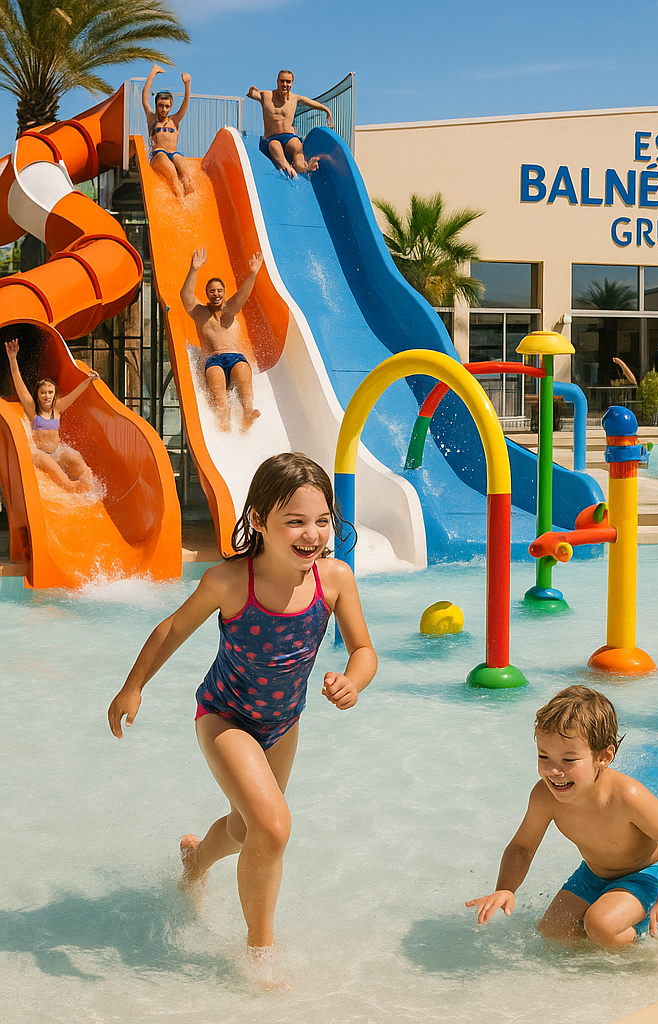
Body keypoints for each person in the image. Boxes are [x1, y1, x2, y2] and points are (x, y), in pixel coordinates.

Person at [107, 453, 376, 980]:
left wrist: (354, 680)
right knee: (273, 828)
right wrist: (133, 686)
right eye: (294, 521)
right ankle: (259, 954)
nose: (312, 533)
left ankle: (195, 863)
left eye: (322, 520)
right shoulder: (230, 582)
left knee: (244, 826)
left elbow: (363, 649)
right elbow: (170, 630)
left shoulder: (335, 580)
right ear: (257, 521)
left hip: (283, 725)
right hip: (225, 717)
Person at [466, 685, 658, 950]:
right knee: (553, 932)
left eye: (569, 759)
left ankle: (636, 942)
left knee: (600, 925)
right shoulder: (544, 797)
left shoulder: (626, 796)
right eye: (544, 756)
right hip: (594, 874)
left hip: (645, 874)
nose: (554, 770)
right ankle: (606, 920)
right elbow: (522, 846)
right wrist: (505, 888)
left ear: (603, 757)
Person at [181, 248, 263, 432]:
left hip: (236, 358)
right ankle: (223, 418)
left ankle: (247, 413)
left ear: (224, 293)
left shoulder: (230, 309)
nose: (216, 294)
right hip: (214, 359)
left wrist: (253, 273)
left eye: (219, 291)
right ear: (207, 294)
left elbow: (243, 294)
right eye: (212, 291)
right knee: (217, 383)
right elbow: (185, 296)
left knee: (242, 369)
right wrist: (194, 270)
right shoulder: (200, 313)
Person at [4, 337, 97, 492]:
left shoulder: (57, 408)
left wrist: (88, 380)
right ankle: (70, 488)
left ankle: (89, 494)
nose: (46, 396)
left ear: (54, 394)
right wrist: (13, 358)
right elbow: (19, 385)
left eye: (50, 392)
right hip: (40, 454)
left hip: (57, 451)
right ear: (38, 394)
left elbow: (75, 394)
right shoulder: (33, 409)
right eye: (43, 393)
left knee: (84, 469)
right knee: (67, 482)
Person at [247, 70, 334, 177]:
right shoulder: (266, 96)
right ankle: (286, 166)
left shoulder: (295, 99)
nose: (285, 84)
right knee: (275, 145)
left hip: (288, 136)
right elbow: (252, 95)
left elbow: (311, 103)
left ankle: (303, 168)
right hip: (271, 138)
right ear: (277, 81)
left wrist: (326, 109)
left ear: (292, 83)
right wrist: (252, 91)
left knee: (295, 144)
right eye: (282, 81)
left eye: (288, 82)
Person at [141, 64, 194, 199]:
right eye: (160, 106)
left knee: (187, 176)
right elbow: (145, 98)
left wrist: (187, 84)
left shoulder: (174, 120)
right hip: (158, 153)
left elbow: (186, 103)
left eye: (166, 106)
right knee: (172, 174)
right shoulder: (152, 119)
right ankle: (181, 203)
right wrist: (153, 73)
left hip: (174, 153)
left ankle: (190, 202)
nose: (163, 109)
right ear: (156, 105)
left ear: (171, 106)